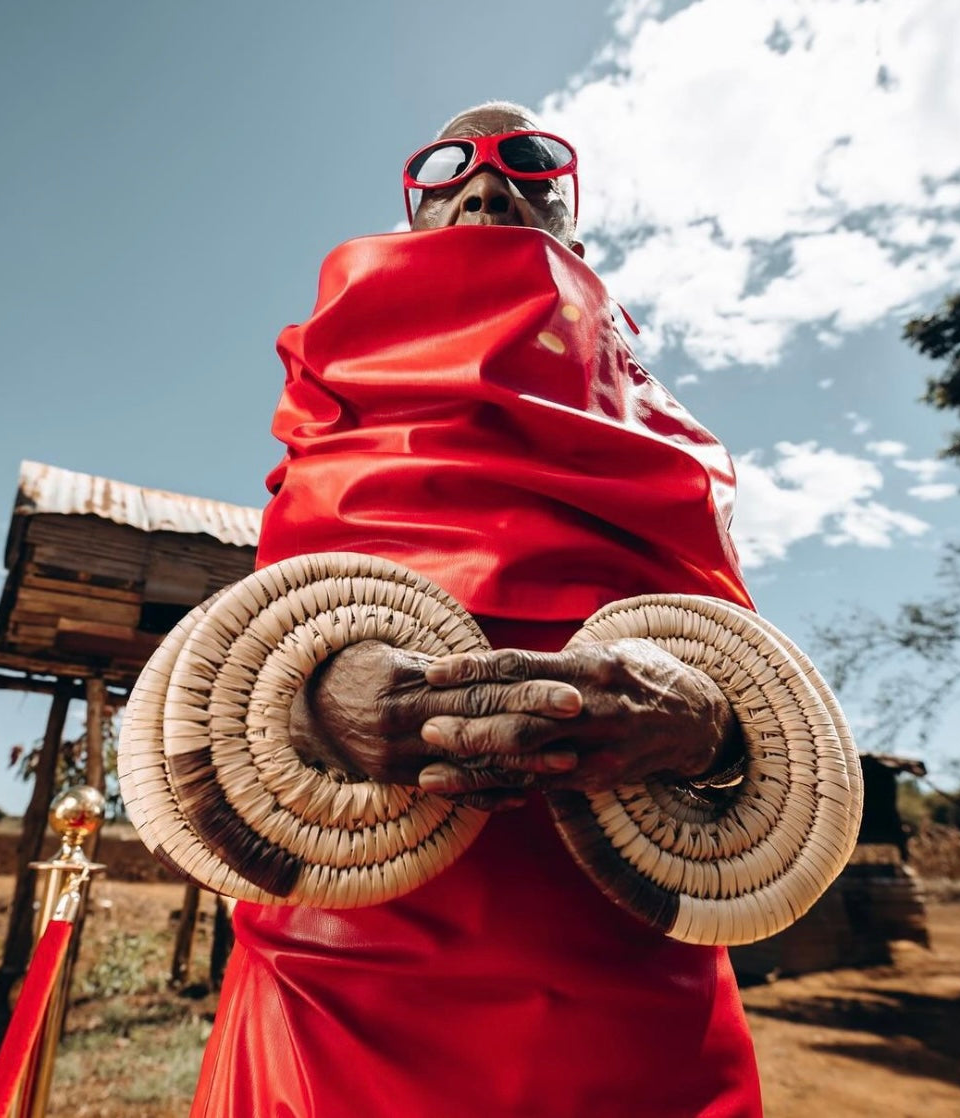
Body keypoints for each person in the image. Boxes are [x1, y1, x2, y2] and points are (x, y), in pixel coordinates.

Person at [187, 101, 766, 1117]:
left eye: (530, 163)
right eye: (448, 168)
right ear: (415, 226)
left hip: (633, 1002)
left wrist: (707, 725)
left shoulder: (680, 454)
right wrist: (318, 694)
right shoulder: (327, 415)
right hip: (331, 993)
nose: (488, 184)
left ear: (572, 232)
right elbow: (226, 682)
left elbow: (765, 709)